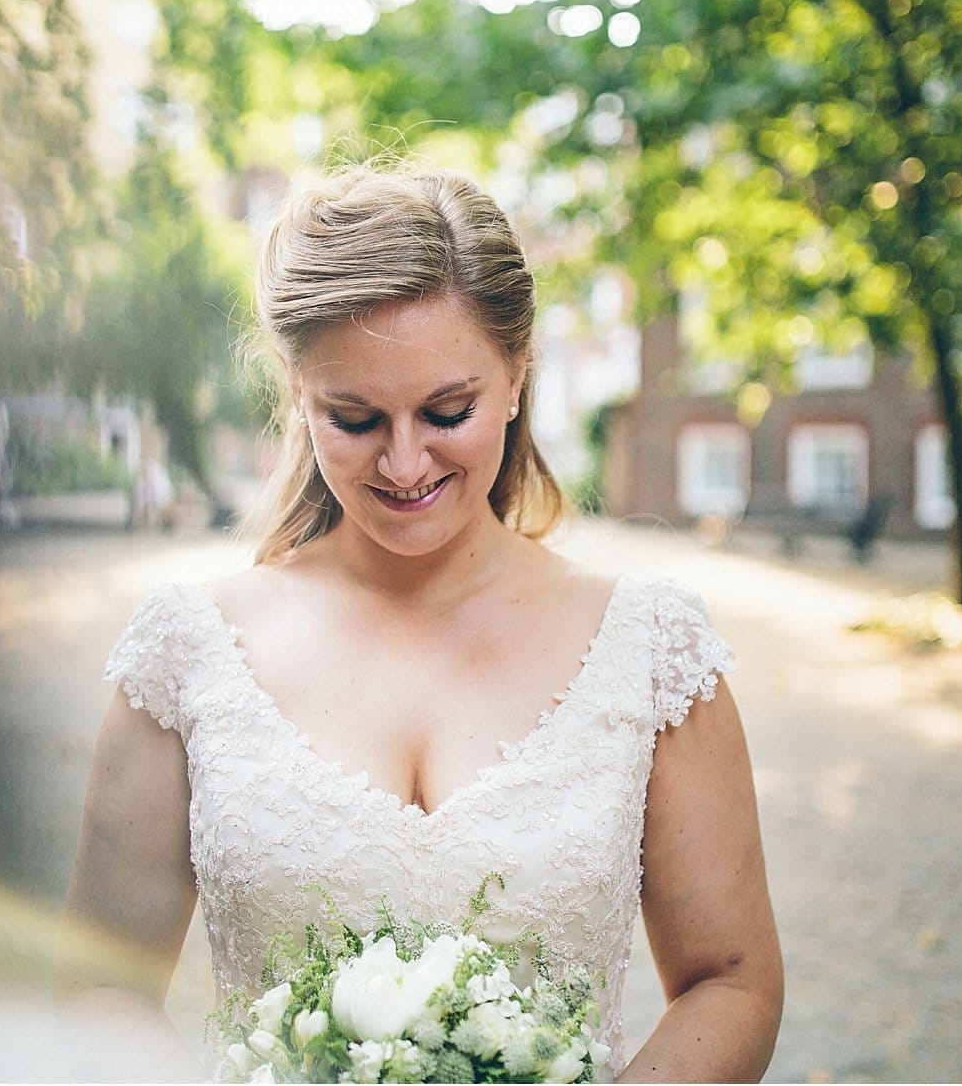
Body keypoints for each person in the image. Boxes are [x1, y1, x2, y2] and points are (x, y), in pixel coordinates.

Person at [65, 165, 783, 1081]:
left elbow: (732, 979)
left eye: (448, 410)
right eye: (355, 417)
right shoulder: (187, 649)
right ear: (295, 392)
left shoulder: (649, 649)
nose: (405, 463)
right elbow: (99, 988)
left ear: (518, 376)